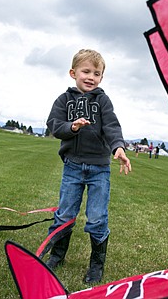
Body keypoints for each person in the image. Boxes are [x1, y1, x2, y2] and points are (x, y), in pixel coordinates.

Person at [44, 49, 132, 285]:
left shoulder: (102, 100)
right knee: (64, 214)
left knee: (96, 217)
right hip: (72, 166)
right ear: (73, 73)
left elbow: (112, 126)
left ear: (101, 77)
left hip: (99, 169)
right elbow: (54, 125)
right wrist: (72, 127)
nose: (91, 77)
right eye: (86, 71)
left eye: (97, 73)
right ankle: (57, 256)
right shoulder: (63, 100)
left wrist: (118, 148)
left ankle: (96, 264)